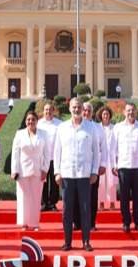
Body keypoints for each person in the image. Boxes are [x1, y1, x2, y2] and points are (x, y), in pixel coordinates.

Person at [53, 98, 100, 251]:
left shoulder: (91, 127)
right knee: (67, 210)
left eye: (79, 107)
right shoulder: (62, 127)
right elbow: (57, 151)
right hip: (67, 174)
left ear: (82, 108)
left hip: (84, 175)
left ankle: (86, 241)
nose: (76, 109)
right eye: (74, 107)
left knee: (85, 209)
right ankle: (68, 241)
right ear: (69, 108)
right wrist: (57, 172)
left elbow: (96, 152)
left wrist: (94, 172)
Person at [112, 103, 138, 233]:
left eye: (133, 110)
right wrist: (114, 164)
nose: (130, 113)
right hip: (123, 166)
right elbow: (113, 148)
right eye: (128, 110)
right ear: (124, 112)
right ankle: (126, 222)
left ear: (136, 112)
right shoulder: (118, 128)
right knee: (125, 197)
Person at [11, 111, 49, 230]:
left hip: (38, 170)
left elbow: (47, 153)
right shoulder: (19, 134)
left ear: (37, 121)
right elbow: (15, 153)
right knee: (23, 197)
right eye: (28, 120)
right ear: (25, 121)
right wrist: (14, 170)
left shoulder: (44, 134)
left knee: (36, 198)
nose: (30, 122)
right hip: (22, 170)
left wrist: (45, 169)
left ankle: (34, 223)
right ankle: (24, 223)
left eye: (33, 119)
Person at [76, 102, 107, 231]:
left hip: (93, 167)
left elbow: (103, 147)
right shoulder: (76, 126)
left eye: (88, 110)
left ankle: (91, 223)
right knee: (77, 196)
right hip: (78, 168)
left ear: (92, 112)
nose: (86, 113)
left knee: (92, 196)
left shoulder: (98, 128)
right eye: (84, 110)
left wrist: (103, 164)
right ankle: (77, 223)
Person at [38, 102, 62, 211]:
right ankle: (43, 203)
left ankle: (52, 203)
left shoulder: (59, 124)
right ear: (43, 111)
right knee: (42, 181)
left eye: (50, 110)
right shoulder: (38, 124)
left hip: (54, 157)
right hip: (42, 158)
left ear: (53, 111)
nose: (48, 112)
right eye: (46, 110)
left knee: (54, 182)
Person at [96, 106, 118, 211]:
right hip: (100, 158)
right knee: (100, 182)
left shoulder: (115, 128)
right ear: (101, 116)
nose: (105, 116)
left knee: (112, 182)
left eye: (107, 114)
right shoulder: (96, 128)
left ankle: (112, 202)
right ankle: (101, 203)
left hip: (111, 158)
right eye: (104, 114)